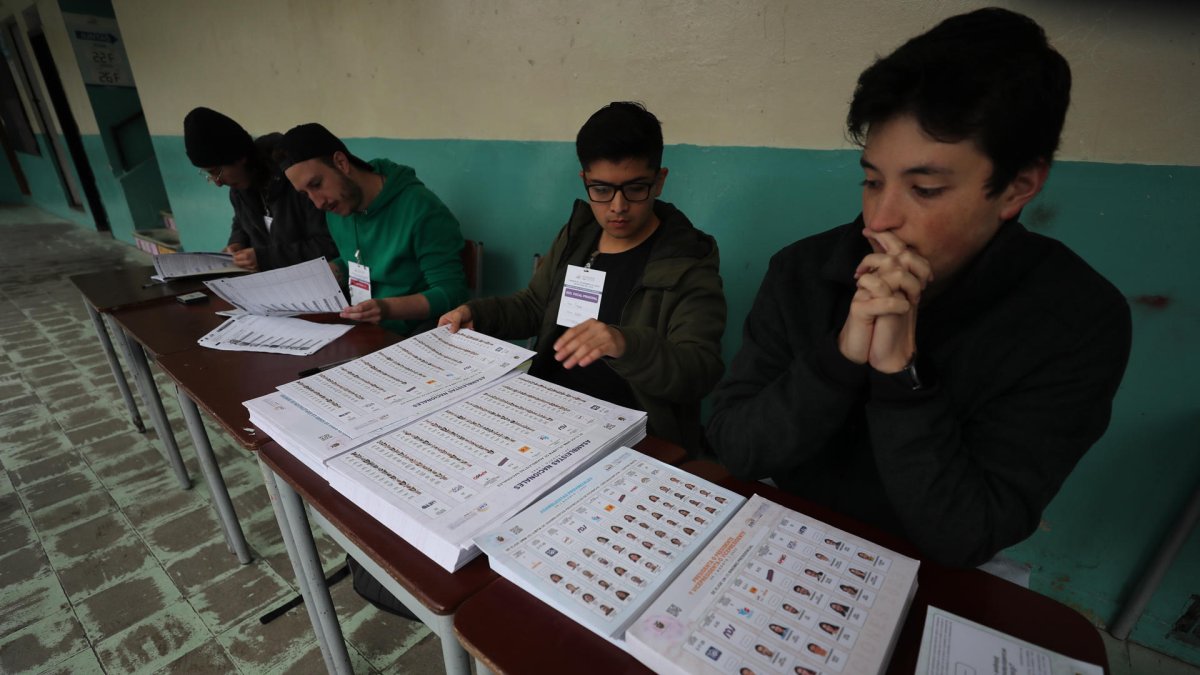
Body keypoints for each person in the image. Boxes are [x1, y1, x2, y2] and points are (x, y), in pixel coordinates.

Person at [707, 8, 1131, 568]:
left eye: (925, 189)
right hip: (783, 536)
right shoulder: (804, 270)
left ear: (1018, 187)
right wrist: (838, 360)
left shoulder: (1076, 321)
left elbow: (968, 534)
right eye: (871, 180)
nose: (878, 220)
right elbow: (735, 444)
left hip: (932, 572)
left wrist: (901, 376)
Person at [439, 102, 726, 453]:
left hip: (631, 434)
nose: (618, 207)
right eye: (602, 190)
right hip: (546, 411)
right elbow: (533, 306)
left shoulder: (687, 260)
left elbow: (699, 371)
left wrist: (624, 344)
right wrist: (477, 314)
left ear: (659, 181)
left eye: (635, 188)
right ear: (585, 181)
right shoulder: (580, 234)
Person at [277, 122, 468, 335]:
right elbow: (358, 261)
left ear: (341, 163)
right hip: (361, 329)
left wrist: (386, 309)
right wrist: (330, 272)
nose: (317, 203)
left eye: (316, 184)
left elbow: (452, 293)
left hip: (412, 334)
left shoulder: (421, 208)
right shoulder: (338, 209)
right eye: (305, 194)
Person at [183, 107, 337, 271]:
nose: (218, 182)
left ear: (239, 157)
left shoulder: (299, 181)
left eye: (217, 172)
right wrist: (237, 243)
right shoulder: (238, 189)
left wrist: (267, 258)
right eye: (208, 175)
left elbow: (328, 245)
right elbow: (241, 223)